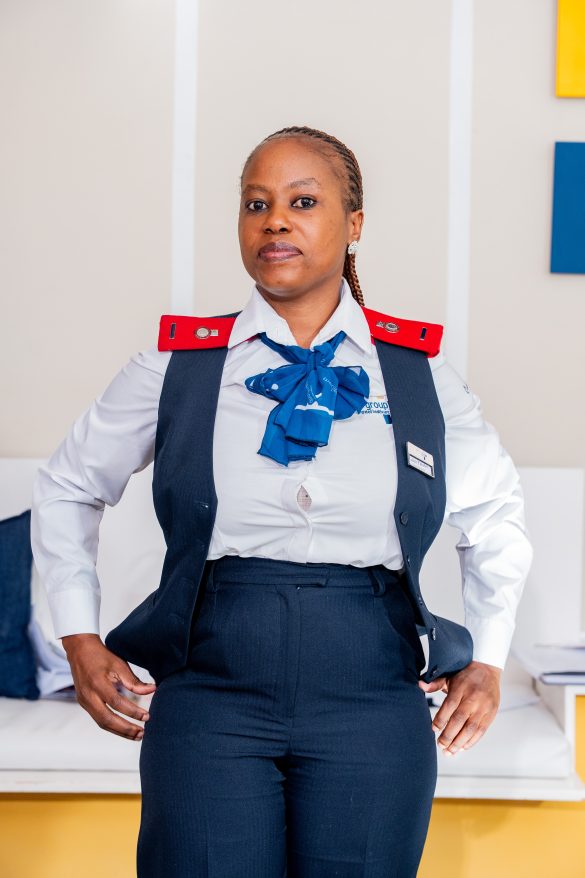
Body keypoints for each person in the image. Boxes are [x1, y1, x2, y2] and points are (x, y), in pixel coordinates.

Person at [31, 125, 533, 877]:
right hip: (209, 689)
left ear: (353, 225)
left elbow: (495, 516)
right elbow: (69, 484)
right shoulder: (177, 365)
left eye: (302, 202)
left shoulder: (418, 372)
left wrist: (487, 660)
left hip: (372, 691)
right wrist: (78, 636)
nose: (274, 222)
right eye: (255, 204)